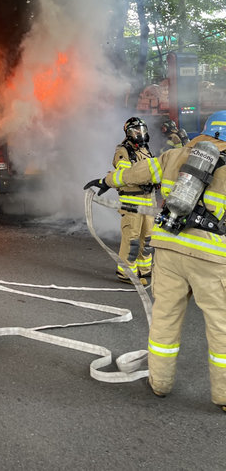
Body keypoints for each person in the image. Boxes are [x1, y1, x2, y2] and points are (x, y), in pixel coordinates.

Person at [84, 110, 226, 412]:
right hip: (212, 260)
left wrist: (105, 180)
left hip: (169, 252)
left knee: (164, 319)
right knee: (221, 328)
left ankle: (160, 383)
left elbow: (136, 173)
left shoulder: (174, 156)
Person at [110, 117, 156, 284]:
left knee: (149, 237)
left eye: (142, 130)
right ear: (128, 133)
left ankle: (145, 268)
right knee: (132, 238)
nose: (140, 133)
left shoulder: (145, 149)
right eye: (136, 130)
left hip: (148, 200)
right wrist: (148, 177)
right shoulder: (123, 151)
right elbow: (126, 177)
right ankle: (127, 272)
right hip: (132, 201)